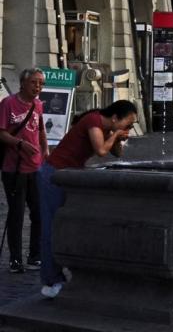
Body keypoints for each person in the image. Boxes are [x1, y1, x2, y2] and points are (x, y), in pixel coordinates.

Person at [38, 100, 137, 299]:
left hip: (68, 175)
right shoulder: (93, 121)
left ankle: (69, 271)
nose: (128, 129)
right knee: (52, 227)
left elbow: (116, 153)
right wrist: (116, 134)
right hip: (53, 174)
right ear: (115, 117)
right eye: (127, 124)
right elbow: (101, 151)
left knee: (68, 225)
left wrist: (118, 137)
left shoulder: (107, 128)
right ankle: (51, 279)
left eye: (131, 126)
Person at [0, 68, 47, 273]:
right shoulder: (8, 103)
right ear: (23, 83)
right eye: (34, 82)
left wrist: (45, 150)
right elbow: (1, 133)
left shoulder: (37, 105)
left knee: (38, 213)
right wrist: (19, 144)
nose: (37, 87)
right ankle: (15, 259)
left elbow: (40, 129)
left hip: (35, 167)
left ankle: (34, 256)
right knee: (16, 214)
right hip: (14, 168)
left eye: (40, 84)